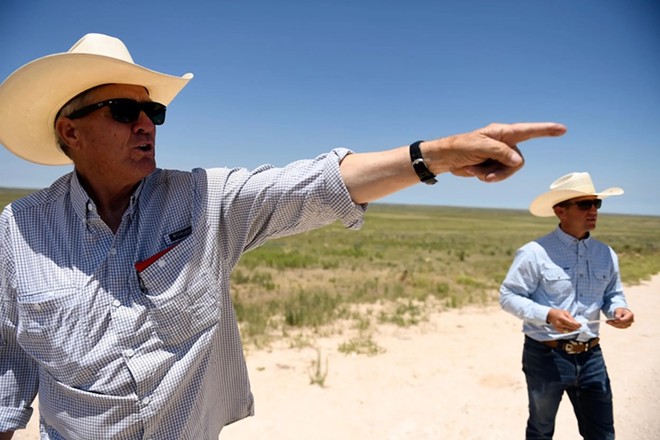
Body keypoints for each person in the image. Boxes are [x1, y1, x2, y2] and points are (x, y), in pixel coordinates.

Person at [0, 33, 567, 440]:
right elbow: (7, 375)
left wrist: (438, 156)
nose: (146, 123)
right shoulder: (18, 234)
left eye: (152, 111)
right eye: (125, 110)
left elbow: (309, 185)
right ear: (69, 131)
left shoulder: (201, 200)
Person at [499, 171, 635, 440]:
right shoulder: (535, 252)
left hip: (592, 355)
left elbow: (613, 295)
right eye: (584, 204)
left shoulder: (606, 253)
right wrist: (548, 315)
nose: (593, 210)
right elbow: (509, 296)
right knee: (541, 430)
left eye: (597, 204)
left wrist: (620, 310)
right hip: (546, 356)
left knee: (603, 433)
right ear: (560, 211)